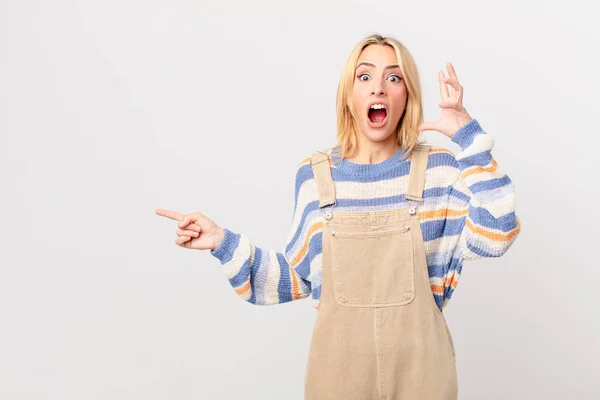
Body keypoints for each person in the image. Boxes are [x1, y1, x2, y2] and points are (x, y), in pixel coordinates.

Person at [156, 33, 521, 400]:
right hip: (338, 381)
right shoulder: (316, 177)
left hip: (422, 379)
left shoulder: (439, 172)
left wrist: (468, 138)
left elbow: (498, 234)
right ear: (349, 95)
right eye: (365, 77)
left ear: (406, 96)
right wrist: (222, 242)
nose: (378, 88)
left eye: (394, 78)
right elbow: (299, 278)